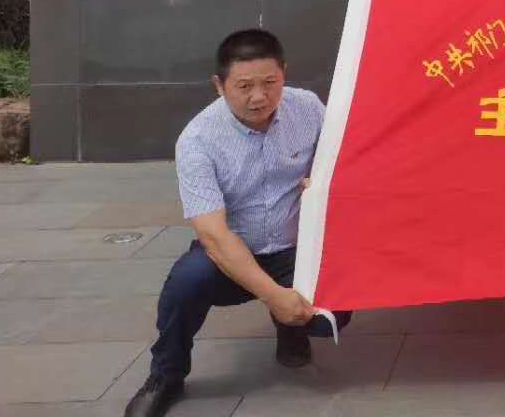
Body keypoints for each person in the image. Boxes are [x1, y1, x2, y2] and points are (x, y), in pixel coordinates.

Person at [124, 30, 349, 417]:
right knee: (186, 284)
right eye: (244, 86)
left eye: (270, 83)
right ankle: (166, 375)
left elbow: (341, 157)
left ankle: (292, 331)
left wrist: (325, 177)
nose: (259, 97)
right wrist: (274, 296)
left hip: (295, 248)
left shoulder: (308, 108)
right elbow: (212, 234)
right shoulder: (198, 140)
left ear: (284, 73)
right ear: (219, 85)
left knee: (333, 318)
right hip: (230, 252)